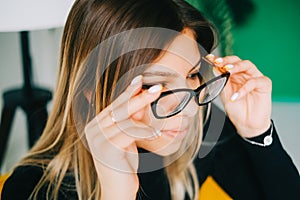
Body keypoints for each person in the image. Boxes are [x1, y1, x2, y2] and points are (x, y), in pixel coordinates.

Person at [1, 0, 299, 199]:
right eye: (156, 86)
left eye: (194, 75)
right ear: (91, 92)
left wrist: (257, 132)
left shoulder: (201, 136)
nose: (190, 109)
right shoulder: (30, 188)